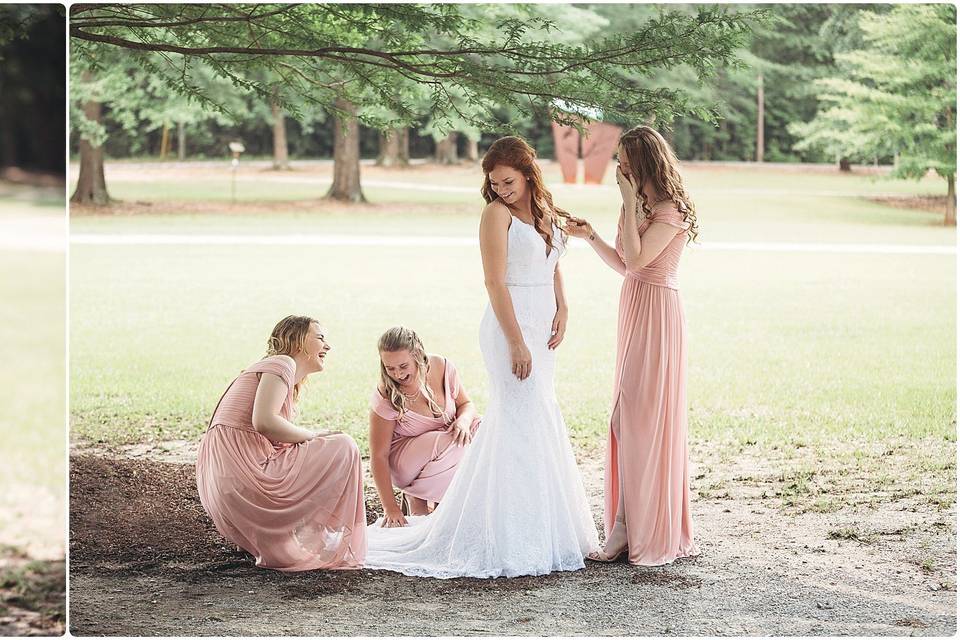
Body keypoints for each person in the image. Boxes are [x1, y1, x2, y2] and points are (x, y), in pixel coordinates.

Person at [363, 136, 599, 578]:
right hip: (510, 325)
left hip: (542, 322)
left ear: (528, 173)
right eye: (495, 183)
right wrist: (515, 341)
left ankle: (546, 524)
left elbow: (554, 263)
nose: (502, 189)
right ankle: (510, 532)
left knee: (540, 413)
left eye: (508, 181)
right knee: (518, 416)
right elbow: (495, 283)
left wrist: (563, 306)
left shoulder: (546, 212)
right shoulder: (495, 214)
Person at [567, 125, 699, 565]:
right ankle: (624, 524)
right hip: (635, 305)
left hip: (659, 311)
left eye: (624, 159)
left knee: (638, 419)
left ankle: (638, 528)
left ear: (642, 162)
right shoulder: (639, 204)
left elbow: (643, 261)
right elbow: (626, 265)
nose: (618, 166)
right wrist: (591, 238)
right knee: (625, 419)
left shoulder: (669, 209)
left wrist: (626, 203)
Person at [196, 315, 367, 571]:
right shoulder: (282, 363)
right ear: (297, 342)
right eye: (320, 338)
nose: (327, 346)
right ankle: (324, 534)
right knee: (344, 446)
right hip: (244, 473)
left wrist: (315, 437)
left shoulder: (275, 369)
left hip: (223, 482)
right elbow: (264, 422)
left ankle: (303, 537)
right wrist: (313, 436)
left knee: (331, 443)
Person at [370, 326, 481, 526]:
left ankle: (439, 502)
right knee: (453, 441)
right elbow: (379, 455)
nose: (397, 374)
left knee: (484, 429)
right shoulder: (386, 393)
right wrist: (390, 507)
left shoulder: (443, 367)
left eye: (403, 366)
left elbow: (466, 404)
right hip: (405, 462)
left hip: (443, 450)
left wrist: (464, 421)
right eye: (390, 368)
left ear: (418, 356)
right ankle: (419, 496)